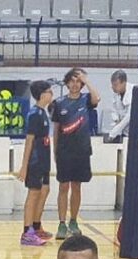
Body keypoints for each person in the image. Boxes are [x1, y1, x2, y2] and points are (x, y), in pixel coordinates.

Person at [51, 67, 100, 239]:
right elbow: (56, 130)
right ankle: (61, 224)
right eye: (72, 81)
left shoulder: (86, 99)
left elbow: (97, 98)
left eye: (78, 81)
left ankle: (73, 221)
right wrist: (55, 151)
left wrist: (87, 80)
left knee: (77, 186)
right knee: (63, 187)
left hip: (82, 151)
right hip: (64, 152)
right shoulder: (59, 103)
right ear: (67, 83)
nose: (75, 84)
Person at [17, 80, 55, 247]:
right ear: (42, 95)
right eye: (49, 91)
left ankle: (36, 225)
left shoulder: (43, 113)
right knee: (33, 193)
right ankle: (27, 232)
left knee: (44, 190)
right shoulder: (34, 114)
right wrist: (24, 166)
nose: (52, 94)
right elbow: (29, 141)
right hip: (35, 160)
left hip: (44, 159)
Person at [105, 70, 131, 142]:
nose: (113, 87)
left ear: (124, 83)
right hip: (123, 132)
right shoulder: (116, 93)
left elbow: (128, 117)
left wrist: (113, 133)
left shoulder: (132, 92)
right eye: (112, 85)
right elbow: (114, 109)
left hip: (133, 131)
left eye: (115, 85)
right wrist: (116, 119)